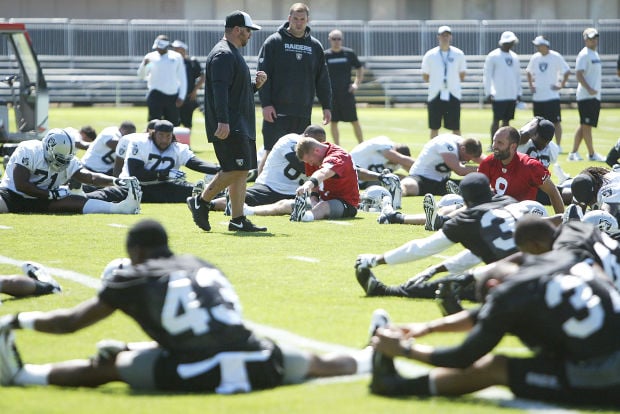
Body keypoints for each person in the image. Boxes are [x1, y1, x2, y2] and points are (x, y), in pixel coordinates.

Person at [0, 219, 371, 392]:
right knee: (312, 361)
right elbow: (209, 323)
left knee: (109, 367)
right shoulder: (199, 264)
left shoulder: (134, 275)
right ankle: (373, 356)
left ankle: (24, 375)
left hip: (195, 372)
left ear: (136, 251)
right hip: (259, 361)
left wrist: (15, 320)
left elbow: (70, 322)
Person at [368, 250, 620, 407]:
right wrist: (428, 328)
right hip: (607, 348)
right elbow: (488, 316)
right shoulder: (558, 262)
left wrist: (406, 349)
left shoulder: (506, 296)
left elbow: (463, 356)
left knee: (495, 367)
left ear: (492, 285)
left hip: (606, 374)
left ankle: (393, 385)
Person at [355, 173, 528, 299]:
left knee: (452, 286)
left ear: (466, 201)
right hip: (546, 268)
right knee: (470, 278)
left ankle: (387, 291)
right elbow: (488, 247)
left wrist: (377, 259)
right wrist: (436, 269)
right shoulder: (511, 202)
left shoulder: (468, 219)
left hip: (516, 282)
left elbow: (422, 248)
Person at [187, 10, 267, 233]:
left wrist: (255, 87)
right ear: (237, 30)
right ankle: (201, 201)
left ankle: (238, 219)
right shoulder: (223, 54)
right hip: (231, 124)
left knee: (241, 171)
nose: (250, 35)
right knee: (235, 168)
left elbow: (235, 92)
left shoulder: (231, 52)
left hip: (238, 122)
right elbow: (219, 91)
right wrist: (223, 121)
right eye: (248, 31)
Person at [256, 3, 332, 175]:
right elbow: (262, 75)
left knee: (302, 154)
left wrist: (327, 105)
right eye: (295, 19)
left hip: (302, 111)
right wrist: (266, 104)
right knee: (271, 151)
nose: (298, 23)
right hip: (276, 111)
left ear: (307, 20)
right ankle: (259, 188)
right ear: (289, 18)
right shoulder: (274, 42)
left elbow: (322, 78)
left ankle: (298, 194)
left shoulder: (315, 46)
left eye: (302, 19)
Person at [0, 128, 141, 215]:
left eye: (66, 159)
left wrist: (115, 181)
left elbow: (90, 177)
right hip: (12, 195)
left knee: (78, 201)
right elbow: (21, 185)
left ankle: (119, 208)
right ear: (49, 149)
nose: (63, 163)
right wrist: (50, 194)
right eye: (60, 158)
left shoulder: (69, 159)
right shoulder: (30, 150)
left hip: (44, 200)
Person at [210, 125, 326, 213]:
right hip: (270, 187)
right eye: (315, 142)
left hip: (294, 192)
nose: (317, 147)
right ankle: (208, 202)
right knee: (239, 201)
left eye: (321, 143)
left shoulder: (319, 152)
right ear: (306, 137)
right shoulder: (291, 140)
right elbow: (300, 164)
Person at [245, 136, 359, 222]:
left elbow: (323, 173)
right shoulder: (314, 156)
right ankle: (248, 210)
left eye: (310, 161)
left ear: (316, 151)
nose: (310, 164)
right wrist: (314, 198)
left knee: (322, 207)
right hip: (323, 199)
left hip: (346, 203)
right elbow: (316, 185)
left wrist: (307, 185)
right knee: (285, 204)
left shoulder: (339, 156)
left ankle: (305, 217)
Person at [121, 120, 219, 203]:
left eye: (168, 136)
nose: (164, 140)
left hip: (163, 187)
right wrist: (164, 174)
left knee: (198, 191)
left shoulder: (177, 148)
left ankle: (223, 197)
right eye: (161, 135)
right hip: (136, 187)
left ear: (172, 135)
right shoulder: (139, 143)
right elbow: (135, 173)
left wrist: (220, 168)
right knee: (117, 194)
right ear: (153, 133)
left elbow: (196, 163)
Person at [478, 126, 564, 214]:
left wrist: (562, 220)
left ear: (513, 146)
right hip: (497, 216)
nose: (494, 146)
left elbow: (552, 191)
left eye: (500, 143)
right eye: (494, 141)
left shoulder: (530, 166)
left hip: (523, 218)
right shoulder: (488, 163)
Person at [400, 134, 483, 197]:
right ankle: (396, 191)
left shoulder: (466, 146)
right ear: (463, 149)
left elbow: (483, 160)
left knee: (475, 186)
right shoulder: (447, 145)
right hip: (422, 178)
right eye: (467, 158)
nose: (468, 161)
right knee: (410, 186)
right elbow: (459, 170)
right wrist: (484, 170)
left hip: (443, 181)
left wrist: (493, 168)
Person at [526, 35, 571, 151]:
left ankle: (558, 145)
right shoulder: (535, 57)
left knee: (556, 122)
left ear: (545, 45)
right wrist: (531, 85)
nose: (537, 47)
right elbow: (528, 71)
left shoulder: (555, 56)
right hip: (538, 97)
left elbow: (567, 71)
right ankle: (538, 145)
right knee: (537, 123)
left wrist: (561, 85)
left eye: (538, 45)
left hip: (552, 96)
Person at [421, 25, 467, 139]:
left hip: (453, 93)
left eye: (447, 35)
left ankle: (458, 151)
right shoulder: (430, 55)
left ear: (450, 37)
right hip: (435, 93)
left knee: (455, 127)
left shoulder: (458, 54)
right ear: (438, 37)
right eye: (442, 35)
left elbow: (462, 74)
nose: (445, 38)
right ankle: (433, 151)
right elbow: (425, 76)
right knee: (434, 126)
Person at [568, 28, 604, 162]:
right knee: (586, 125)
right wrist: (589, 89)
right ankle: (592, 154)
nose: (594, 40)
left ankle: (573, 153)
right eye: (591, 38)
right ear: (585, 39)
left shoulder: (594, 54)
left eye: (595, 37)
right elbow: (578, 73)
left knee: (584, 124)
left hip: (594, 96)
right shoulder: (584, 54)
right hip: (586, 96)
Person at [136, 34, 187, 126]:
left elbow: (182, 77)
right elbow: (142, 76)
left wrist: (181, 96)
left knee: (173, 124)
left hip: (172, 95)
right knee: (153, 124)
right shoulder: (150, 57)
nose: (158, 49)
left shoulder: (176, 57)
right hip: (155, 94)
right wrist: (144, 65)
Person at [324, 29, 364, 145]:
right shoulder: (325, 55)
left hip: (346, 93)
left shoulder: (349, 53)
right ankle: (338, 147)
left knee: (354, 120)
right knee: (334, 121)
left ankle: (362, 145)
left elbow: (359, 68)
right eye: (334, 39)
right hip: (332, 94)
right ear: (329, 40)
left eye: (339, 39)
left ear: (342, 40)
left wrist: (356, 84)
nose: (336, 41)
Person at [483, 31, 521, 145]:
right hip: (498, 94)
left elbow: (518, 76)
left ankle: (504, 143)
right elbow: (487, 75)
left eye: (512, 42)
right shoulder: (493, 55)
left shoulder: (514, 57)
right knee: (496, 120)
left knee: (507, 121)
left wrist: (519, 92)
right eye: (508, 42)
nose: (510, 44)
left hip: (511, 94)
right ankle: (493, 143)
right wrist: (488, 92)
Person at [349, 136, 414, 186]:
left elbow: (411, 170)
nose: (396, 164)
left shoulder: (398, 161)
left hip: (365, 181)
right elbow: (400, 158)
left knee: (401, 178)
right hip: (352, 175)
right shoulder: (384, 143)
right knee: (395, 178)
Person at [171, 40, 205, 132]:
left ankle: (186, 144)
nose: (173, 50)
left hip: (188, 96)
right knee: (173, 123)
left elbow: (202, 76)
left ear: (182, 50)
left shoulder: (191, 62)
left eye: (176, 48)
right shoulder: (171, 62)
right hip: (173, 97)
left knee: (187, 123)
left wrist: (195, 91)